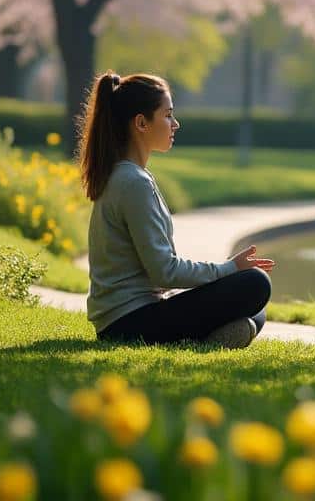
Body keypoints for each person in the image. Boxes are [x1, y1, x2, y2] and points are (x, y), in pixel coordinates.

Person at [81, 71, 274, 348]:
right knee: (256, 284)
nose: (176, 124)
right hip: (129, 324)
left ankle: (219, 335)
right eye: (168, 115)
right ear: (141, 123)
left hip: (133, 317)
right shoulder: (133, 183)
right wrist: (227, 269)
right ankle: (209, 338)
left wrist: (226, 273)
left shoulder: (128, 176)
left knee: (257, 309)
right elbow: (165, 272)